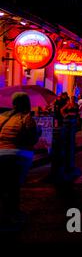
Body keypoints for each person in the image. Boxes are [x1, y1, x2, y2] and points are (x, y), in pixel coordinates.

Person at [0, 92, 40, 227]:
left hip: (1, 153)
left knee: (3, 185)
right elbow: (32, 139)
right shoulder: (27, 117)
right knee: (13, 186)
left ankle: (5, 213)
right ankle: (13, 215)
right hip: (19, 155)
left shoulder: (1, 117)